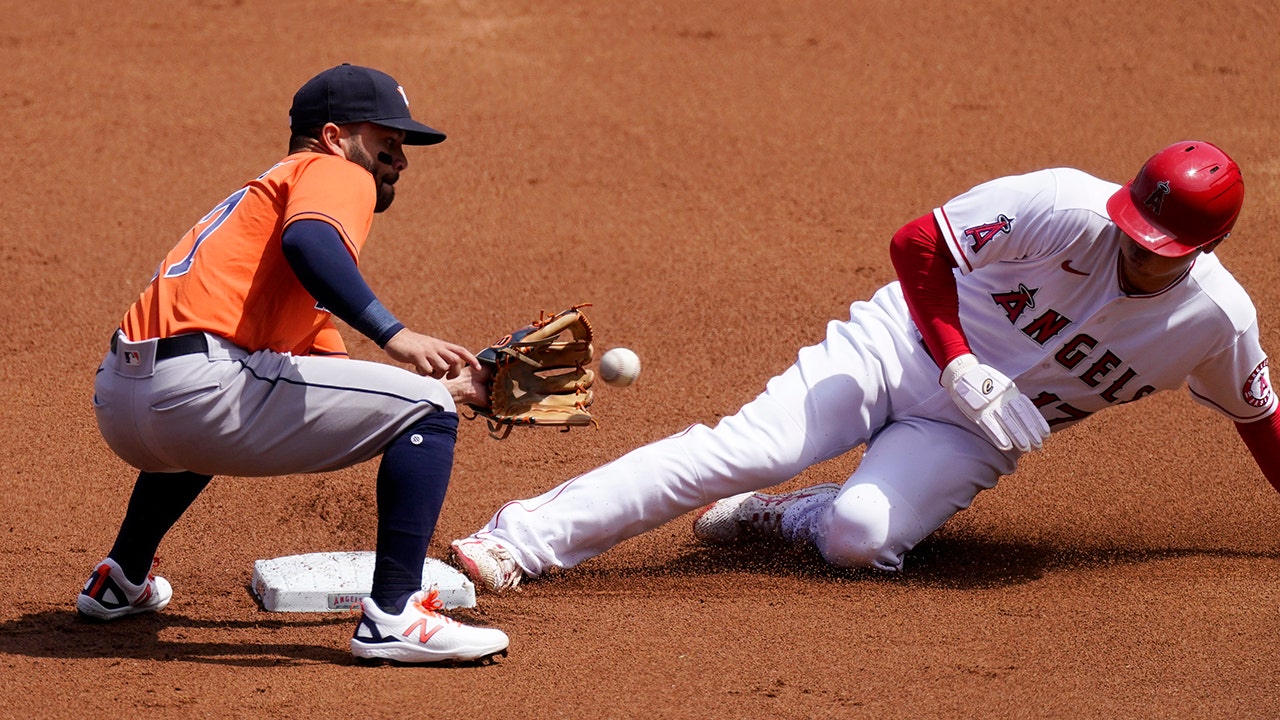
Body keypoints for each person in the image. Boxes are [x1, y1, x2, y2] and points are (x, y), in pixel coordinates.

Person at [449, 140, 1279, 592]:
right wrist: (956, 358)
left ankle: (791, 515)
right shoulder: (1063, 204)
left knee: (859, 540)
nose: (1133, 248)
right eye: (1132, 228)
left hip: (970, 433)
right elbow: (917, 242)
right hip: (897, 346)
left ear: (1205, 249)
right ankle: (519, 541)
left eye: (1156, 248)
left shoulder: (1216, 321)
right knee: (750, 449)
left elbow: (1263, 421)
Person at [78, 63, 510, 665]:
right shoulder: (331, 171)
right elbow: (310, 243)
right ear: (336, 137)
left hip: (126, 400)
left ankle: (120, 578)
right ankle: (394, 616)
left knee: (421, 402)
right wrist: (396, 336)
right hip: (200, 389)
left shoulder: (257, 210)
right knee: (427, 411)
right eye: (386, 143)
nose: (399, 161)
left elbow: (333, 391)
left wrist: (459, 387)